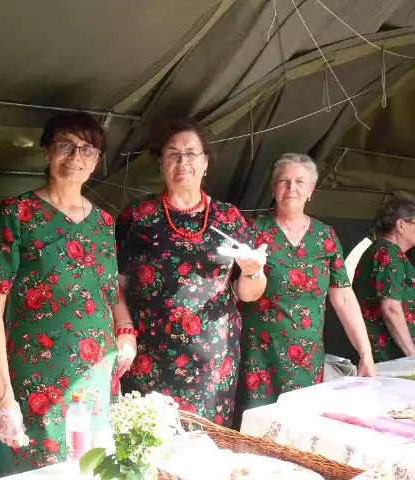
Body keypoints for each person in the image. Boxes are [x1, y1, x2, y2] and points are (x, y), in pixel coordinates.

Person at [0, 112, 136, 475]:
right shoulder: (16, 213)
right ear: (46, 151)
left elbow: (111, 293)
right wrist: (4, 396)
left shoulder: (105, 223)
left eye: (88, 149)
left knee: (95, 466)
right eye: (65, 145)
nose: (76, 156)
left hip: (98, 375)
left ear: (97, 162)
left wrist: (126, 331)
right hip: (38, 378)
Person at [112, 117, 267, 426]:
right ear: (161, 163)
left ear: (205, 161)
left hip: (214, 360)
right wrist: (125, 331)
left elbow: (248, 294)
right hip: (149, 356)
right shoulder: (137, 217)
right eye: (173, 153)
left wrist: (253, 272)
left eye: (192, 153)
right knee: (149, 442)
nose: (183, 162)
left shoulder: (229, 218)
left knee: (204, 447)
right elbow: (116, 285)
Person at [237, 153, 376, 417]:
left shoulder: (325, 236)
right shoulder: (253, 231)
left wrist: (365, 353)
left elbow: (344, 298)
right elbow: (239, 293)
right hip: (257, 356)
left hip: (307, 358)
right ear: (273, 187)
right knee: (256, 432)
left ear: (311, 190)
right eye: (284, 181)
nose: (292, 188)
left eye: (300, 182)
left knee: (299, 431)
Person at [353, 196, 415, 362]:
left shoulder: (377, 250)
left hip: (379, 352)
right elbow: (391, 309)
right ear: (401, 225)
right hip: (390, 355)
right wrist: (412, 356)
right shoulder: (390, 253)